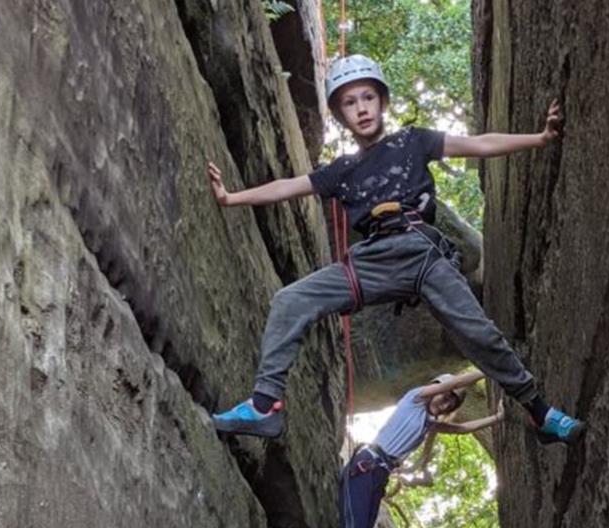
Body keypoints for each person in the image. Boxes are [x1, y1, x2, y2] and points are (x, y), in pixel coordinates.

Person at [207, 54, 585, 446]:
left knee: (480, 335)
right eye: (350, 103)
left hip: (423, 255)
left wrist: (538, 138)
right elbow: (287, 186)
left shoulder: (413, 141)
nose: (361, 108)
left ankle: (542, 414)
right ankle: (264, 406)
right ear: (341, 114)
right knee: (290, 300)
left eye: (367, 97)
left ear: (382, 101)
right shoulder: (342, 171)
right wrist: (231, 198)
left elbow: (477, 144)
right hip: (372, 264)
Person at [339, 371, 500, 528]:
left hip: (380, 475)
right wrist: (488, 370)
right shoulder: (414, 399)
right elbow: (456, 383)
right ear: (436, 389)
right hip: (367, 465)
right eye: (445, 396)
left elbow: (462, 428)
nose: (446, 404)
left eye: (451, 405)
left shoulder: (428, 424)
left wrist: (498, 418)